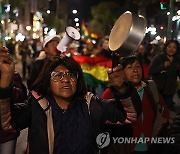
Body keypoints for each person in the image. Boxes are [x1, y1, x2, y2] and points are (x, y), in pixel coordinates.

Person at [1, 55, 141, 154]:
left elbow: (129, 115)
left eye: (71, 74)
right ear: (48, 83)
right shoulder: (36, 106)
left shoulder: (91, 105)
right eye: (57, 75)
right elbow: (8, 123)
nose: (66, 80)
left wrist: (122, 88)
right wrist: (5, 83)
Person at [102, 55, 169, 153]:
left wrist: (163, 120)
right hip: (125, 147)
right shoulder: (110, 93)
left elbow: (163, 107)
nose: (135, 70)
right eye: (129, 67)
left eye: (137, 66)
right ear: (121, 72)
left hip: (150, 143)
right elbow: (103, 119)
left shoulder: (150, 87)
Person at [0, 46, 27, 154]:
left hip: (7, 135)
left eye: (5, 53)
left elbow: (21, 99)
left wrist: (7, 77)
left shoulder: (13, 75)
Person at [149, 40, 180, 110]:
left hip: (170, 91)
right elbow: (151, 70)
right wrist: (163, 66)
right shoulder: (159, 58)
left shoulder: (177, 60)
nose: (171, 49)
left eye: (174, 47)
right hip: (159, 90)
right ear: (166, 47)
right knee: (158, 110)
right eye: (169, 47)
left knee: (167, 110)